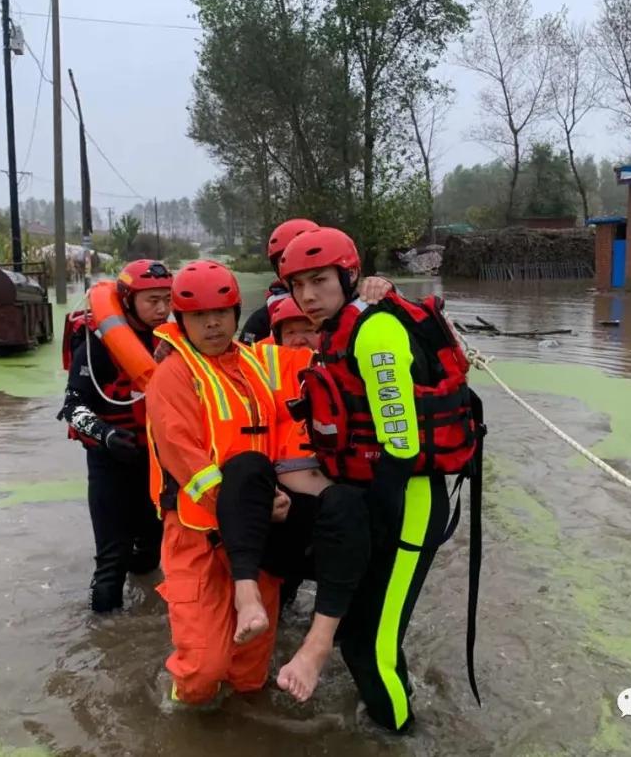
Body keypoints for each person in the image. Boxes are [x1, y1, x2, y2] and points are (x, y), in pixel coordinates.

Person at [278, 228, 485, 732]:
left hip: (408, 501)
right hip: (380, 496)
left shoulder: (374, 333)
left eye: (319, 281)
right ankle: (393, 710)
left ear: (347, 277)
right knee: (361, 636)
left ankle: (401, 737)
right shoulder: (335, 330)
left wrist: (373, 528)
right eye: (297, 284)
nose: (307, 295)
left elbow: (402, 443)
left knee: (369, 645)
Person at [145, 260, 288, 705]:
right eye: (199, 316)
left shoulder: (254, 362)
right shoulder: (172, 375)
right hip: (197, 534)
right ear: (180, 320)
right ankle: (179, 717)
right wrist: (247, 509)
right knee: (203, 669)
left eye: (221, 313)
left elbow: (283, 426)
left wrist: (370, 298)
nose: (212, 324)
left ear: (237, 312)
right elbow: (188, 462)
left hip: (259, 530)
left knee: (250, 671)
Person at [256, 297, 372, 704]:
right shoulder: (259, 364)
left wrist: (382, 293)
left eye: (308, 328)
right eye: (291, 331)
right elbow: (201, 339)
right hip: (285, 505)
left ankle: (322, 641)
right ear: (277, 336)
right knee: (281, 594)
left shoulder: (349, 361)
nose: (301, 337)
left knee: (345, 534)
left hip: (334, 508)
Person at [57, 259, 173, 613]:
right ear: (127, 300)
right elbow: (72, 407)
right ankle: (103, 643)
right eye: (151, 300)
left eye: (166, 299)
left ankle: (139, 629)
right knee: (111, 566)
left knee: (151, 553)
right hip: (110, 462)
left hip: (155, 463)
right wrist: (106, 434)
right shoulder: (94, 346)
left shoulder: (174, 340)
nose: (162, 309)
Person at [239, 217, 394, 344]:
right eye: (287, 259)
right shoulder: (263, 317)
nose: (308, 296)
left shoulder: (368, 297)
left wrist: (386, 290)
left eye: (318, 280)